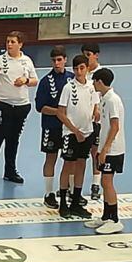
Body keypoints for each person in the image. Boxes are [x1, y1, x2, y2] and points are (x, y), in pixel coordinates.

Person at [0, 31, 38, 186]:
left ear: (20, 44)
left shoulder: (27, 61)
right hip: (2, 103)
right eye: (8, 41)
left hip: (21, 105)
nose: (9, 44)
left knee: (13, 140)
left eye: (13, 42)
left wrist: (25, 80)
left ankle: (10, 171)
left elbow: (35, 80)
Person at [56, 54, 97, 220]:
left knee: (81, 165)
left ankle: (75, 202)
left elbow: (94, 106)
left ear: (87, 69)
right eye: (76, 68)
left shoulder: (92, 87)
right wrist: (74, 130)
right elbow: (60, 112)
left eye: (82, 68)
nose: (79, 72)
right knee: (68, 165)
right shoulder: (68, 87)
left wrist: (96, 113)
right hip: (71, 134)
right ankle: (63, 203)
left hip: (87, 132)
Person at [88, 68, 125, 234]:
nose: (93, 84)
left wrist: (105, 149)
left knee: (108, 183)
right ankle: (106, 216)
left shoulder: (112, 100)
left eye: (94, 81)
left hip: (113, 149)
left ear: (100, 82)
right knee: (104, 181)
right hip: (106, 148)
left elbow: (115, 126)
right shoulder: (104, 99)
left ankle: (115, 219)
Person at [35, 46, 73, 209]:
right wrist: (59, 112)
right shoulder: (45, 81)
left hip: (69, 127)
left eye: (59, 60)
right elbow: (40, 107)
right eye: (54, 60)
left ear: (65, 59)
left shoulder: (73, 79)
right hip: (51, 126)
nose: (57, 63)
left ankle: (70, 190)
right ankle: (49, 193)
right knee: (51, 158)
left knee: (70, 159)